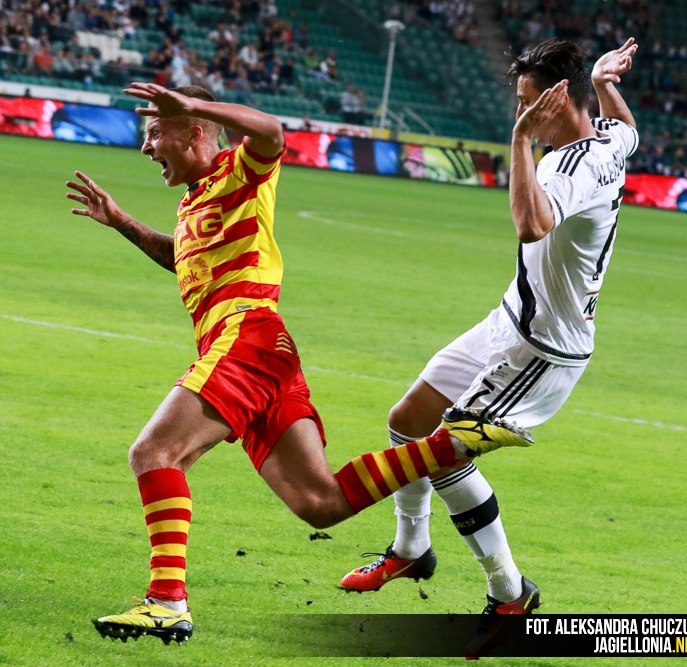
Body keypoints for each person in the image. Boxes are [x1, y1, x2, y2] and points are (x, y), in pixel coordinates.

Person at [62, 84, 531, 646]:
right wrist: (121, 221)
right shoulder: (194, 201)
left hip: (246, 339)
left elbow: (273, 133)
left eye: (156, 133)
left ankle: (166, 602)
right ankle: (453, 443)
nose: (146, 147)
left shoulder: (238, 172)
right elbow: (183, 259)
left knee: (155, 453)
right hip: (266, 352)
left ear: (195, 132)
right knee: (320, 503)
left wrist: (194, 104)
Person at [338, 38, 639, 658]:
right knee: (408, 419)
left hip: (541, 347)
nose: (520, 112)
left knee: (442, 453)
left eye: (528, 103)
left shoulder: (569, 168)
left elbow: (532, 225)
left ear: (558, 100)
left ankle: (509, 592)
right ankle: (411, 549)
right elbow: (628, 130)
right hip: (510, 319)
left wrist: (521, 141)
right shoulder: (610, 142)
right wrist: (605, 83)